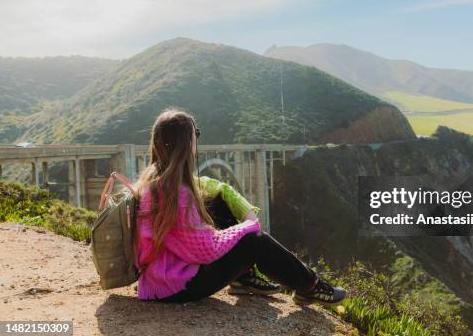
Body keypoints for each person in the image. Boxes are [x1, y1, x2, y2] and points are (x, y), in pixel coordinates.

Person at [133, 108, 346, 307]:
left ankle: (243, 278)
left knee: (216, 201)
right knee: (256, 242)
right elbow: (206, 250)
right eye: (195, 134)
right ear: (186, 143)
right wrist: (248, 226)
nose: (197, 139)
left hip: (159, 279)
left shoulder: (154, 183)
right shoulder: (178, 194)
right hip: (178, 286)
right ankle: (311, 286)